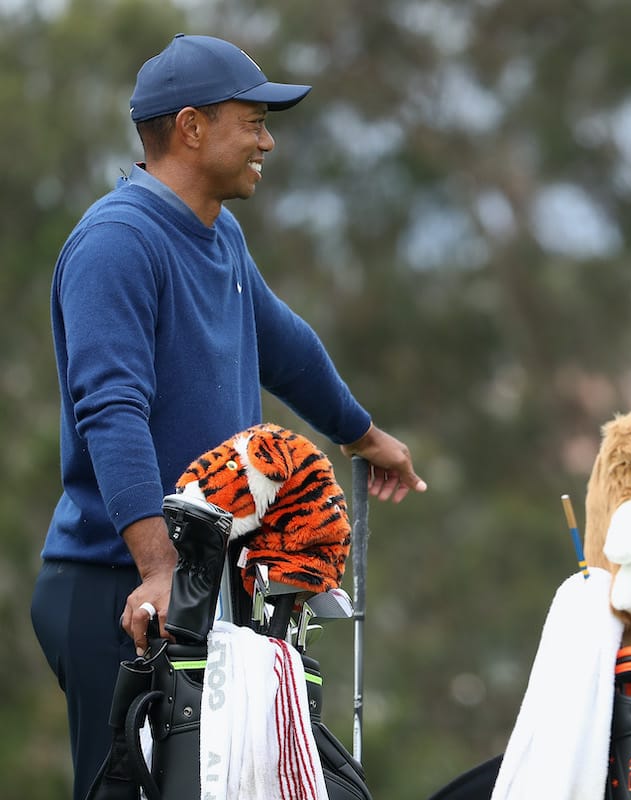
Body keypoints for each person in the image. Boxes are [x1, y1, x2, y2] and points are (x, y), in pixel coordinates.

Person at [30, 33, 428, 800]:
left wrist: (364, 434)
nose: (266, 142)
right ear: (191, 127)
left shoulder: (219, 234)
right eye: (253, 123)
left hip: (194, 587)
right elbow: (111, 411)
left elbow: (283, 345)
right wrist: (159, 569)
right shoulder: (116, 244)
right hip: (118, 585)